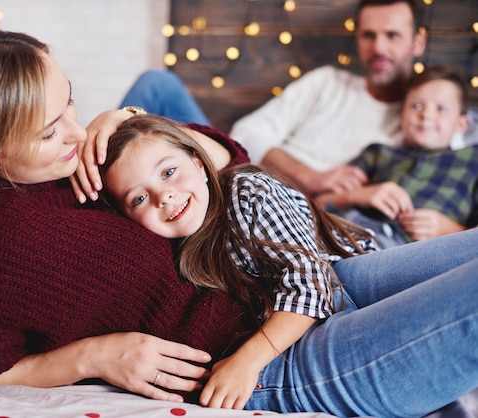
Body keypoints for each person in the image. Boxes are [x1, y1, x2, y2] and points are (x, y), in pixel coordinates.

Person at [0, 28, 260, 403]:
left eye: (69, 102)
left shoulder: (63, 164)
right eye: (48, 133)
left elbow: (230, 160)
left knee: (154, 86)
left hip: (265, 289)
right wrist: (92, 357)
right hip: (241, 351)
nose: (77, 133)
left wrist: (124, 120)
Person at [96, 114, 478, 416]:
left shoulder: (246, 191)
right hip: (319, 317)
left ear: (199, 161)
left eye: (168, 172)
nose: (165, 196)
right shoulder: (181, 247)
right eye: (140, 198)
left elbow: (313, 282)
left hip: (342, 273)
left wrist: (247, 360)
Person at [119, 0, 428, 196]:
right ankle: (92, 180)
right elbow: (245, 134)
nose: (379, 48)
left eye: (393, 35)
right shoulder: (329, 82)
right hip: (234, 168)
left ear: (418, 42)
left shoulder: (428, 122)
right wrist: (312, 176)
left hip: (271, 203)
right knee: (157, 84)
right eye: (368, 35)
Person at [317, 64, 478, 248]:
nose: (426, 115)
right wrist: (359, 195)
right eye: (417, 106)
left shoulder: (473, 162)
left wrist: (452, 231)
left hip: (409, 250)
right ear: (401, 116)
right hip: (349, 229)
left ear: (461, 124)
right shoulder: (378, 152)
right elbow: (320, 203)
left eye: (441, 109)